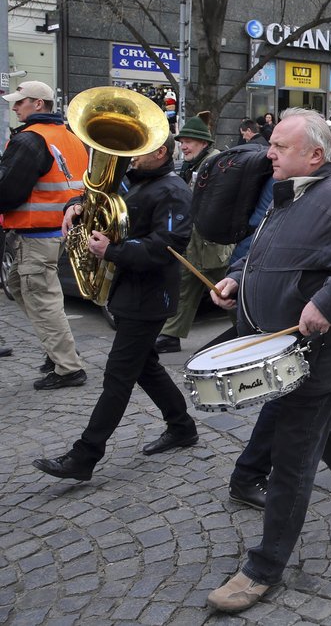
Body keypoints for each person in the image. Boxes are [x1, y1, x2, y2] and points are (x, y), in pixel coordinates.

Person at [206, 108, 331, 614]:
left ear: (314, 155)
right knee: (330, 432)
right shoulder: (288, 192)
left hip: (314, 355)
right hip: (278, 346)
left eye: (279, 146)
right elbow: (267, 253)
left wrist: (330, 299)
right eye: (271, 144)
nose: (268, 153)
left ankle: (262, 568)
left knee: (293, 459)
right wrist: (237, 277)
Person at [33, 133, 198, 481]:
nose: (132, 155)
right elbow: (96, 198)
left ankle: (85, 455)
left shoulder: (174, 191)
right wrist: (74, 206)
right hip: (127, 291)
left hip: (149, 297)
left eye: (141, 150)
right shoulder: (130, 177)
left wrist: (111, 251)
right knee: (144, 367)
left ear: (160, 151)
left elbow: (165, 247)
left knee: (118, 375)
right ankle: (182, 426)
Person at [0, 81, 86, 389]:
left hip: (37, 234)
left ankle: (68, 367)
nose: (14, 107)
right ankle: (58, 348)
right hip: (60, 230)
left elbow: (7, 190)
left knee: (42, 299)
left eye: (19, 102)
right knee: (21, 288)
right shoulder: (71, 138)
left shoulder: (29, 140)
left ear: (38, 104)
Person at [155, 116, 234, 353]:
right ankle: (170, 335)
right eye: (181, 142)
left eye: (188, 142)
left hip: (213, 243)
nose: (183, 146)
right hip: (195, 242)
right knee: (184, 287)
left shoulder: (216, 164)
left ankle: (248, 330)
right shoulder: (195, 164)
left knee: (227, 289)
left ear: (203, 142)